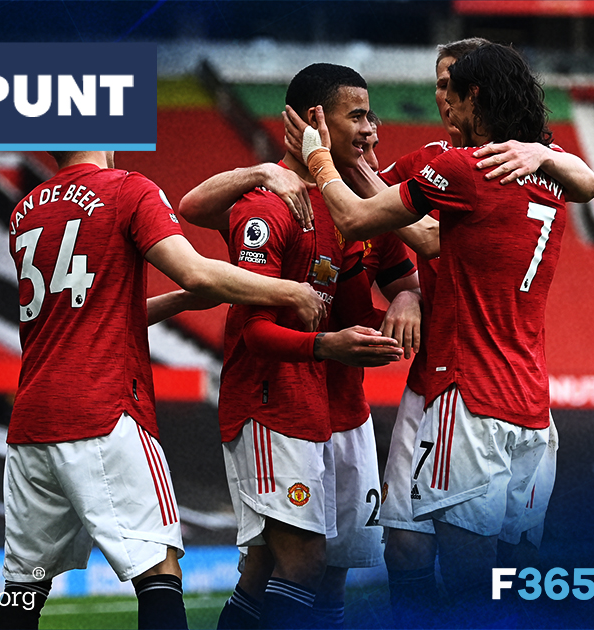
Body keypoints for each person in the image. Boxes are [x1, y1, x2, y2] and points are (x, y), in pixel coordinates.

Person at [285, 43, 571, 616]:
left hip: (468, 392)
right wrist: (411, 291)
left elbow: (360, 218)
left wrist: (317, 157)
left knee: (469, 580)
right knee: (505, 576)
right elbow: (585, 184)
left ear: (476, 96)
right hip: (530, 401)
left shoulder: (462, 168)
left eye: (452, 89)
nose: (443, 100)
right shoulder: (547, 165)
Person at [0, 150, 326, 630]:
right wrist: (290, 291)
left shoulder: (25, 211)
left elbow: (84, 314)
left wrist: (181, 302)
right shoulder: (127, 189)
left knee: (24, 590)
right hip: (104, 411)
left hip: (31, 421)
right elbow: (194, 269)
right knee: (159, 571)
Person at [180, 106, 421, 630]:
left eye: (373, 119)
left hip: (346, 411)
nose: (371, 130)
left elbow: (407, 279)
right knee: (292, 565)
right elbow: (193, 209)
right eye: (357, 117)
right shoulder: (275, 204)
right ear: (316, 124)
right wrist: (263, 171)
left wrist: (408, 298)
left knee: (330, 572)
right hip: (278, 405)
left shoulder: (370, 211)